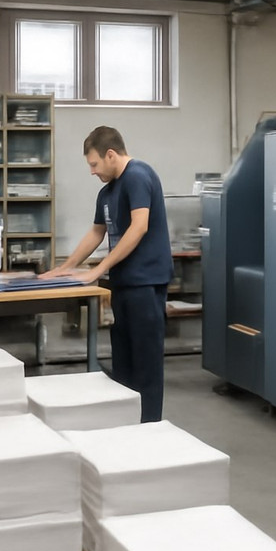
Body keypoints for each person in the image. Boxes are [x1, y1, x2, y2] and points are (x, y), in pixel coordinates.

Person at [42, 126, 173, 422]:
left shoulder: (138, 176)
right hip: (124, 284)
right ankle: (126, 424)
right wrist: (64, 268)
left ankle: (149, 427)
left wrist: (99, 269)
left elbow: (138, 227)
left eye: (94, 164)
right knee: (124, 364)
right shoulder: (107, 191)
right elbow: (96, 232)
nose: (92, 171)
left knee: (145, 365)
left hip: (145, 283)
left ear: (110, 154)